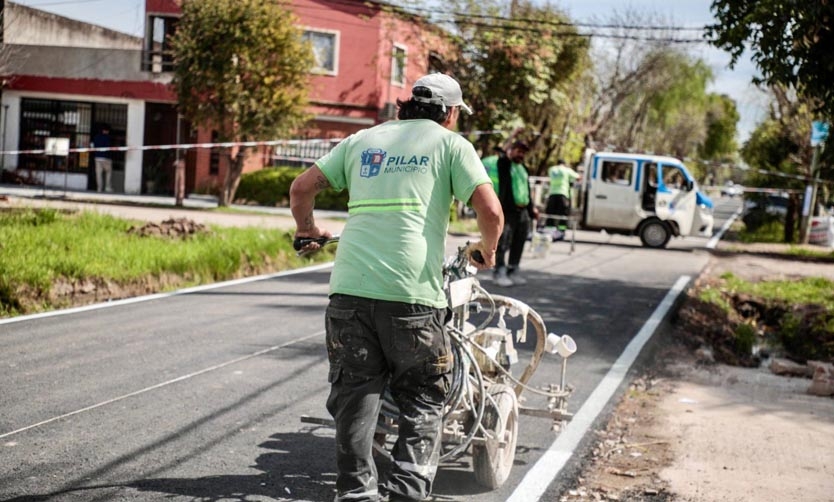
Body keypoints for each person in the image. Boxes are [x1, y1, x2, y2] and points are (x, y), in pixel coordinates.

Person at [289, 73, 503, 502]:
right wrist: (487, 249)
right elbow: (492, 212)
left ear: (408, 105)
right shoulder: (450, 145)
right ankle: (407, 493)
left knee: (355, 396)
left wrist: (307, 229)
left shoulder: (362, 139)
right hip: (412, 296)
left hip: (349, 293)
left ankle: (355, 493)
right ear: (450, 113)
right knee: (423, 396)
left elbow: (301, 188)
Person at [482, 140, 537, 287]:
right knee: (503, 241)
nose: (521, 155)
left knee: (519, 241)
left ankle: (513, 270)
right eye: (518, 151)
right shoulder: (505, 165)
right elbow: (502, 155)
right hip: (508, 211)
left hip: (523, 211)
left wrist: (532, 209)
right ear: (510, 151)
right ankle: (499, 272)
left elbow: (526, 190)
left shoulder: (523, 169)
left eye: (523, 152)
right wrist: (513, 136)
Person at [544, 158, 580, 237]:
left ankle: (550, 229)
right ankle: (561, 231)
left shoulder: (551, 169)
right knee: (563, 214)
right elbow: (578, 177)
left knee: (550, 212)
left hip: (552, 193)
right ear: (564, 164)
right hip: (563, 193)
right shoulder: (566, 170)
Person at [91, 125, 113, 192]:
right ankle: (107, 187)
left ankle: (99, 188)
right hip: (106, 158)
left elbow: (92, 146)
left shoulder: (96, 137)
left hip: (97, 157)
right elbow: (109, 147)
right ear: (105, 131)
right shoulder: (108, 137)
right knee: (108, 172)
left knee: (98, 174)